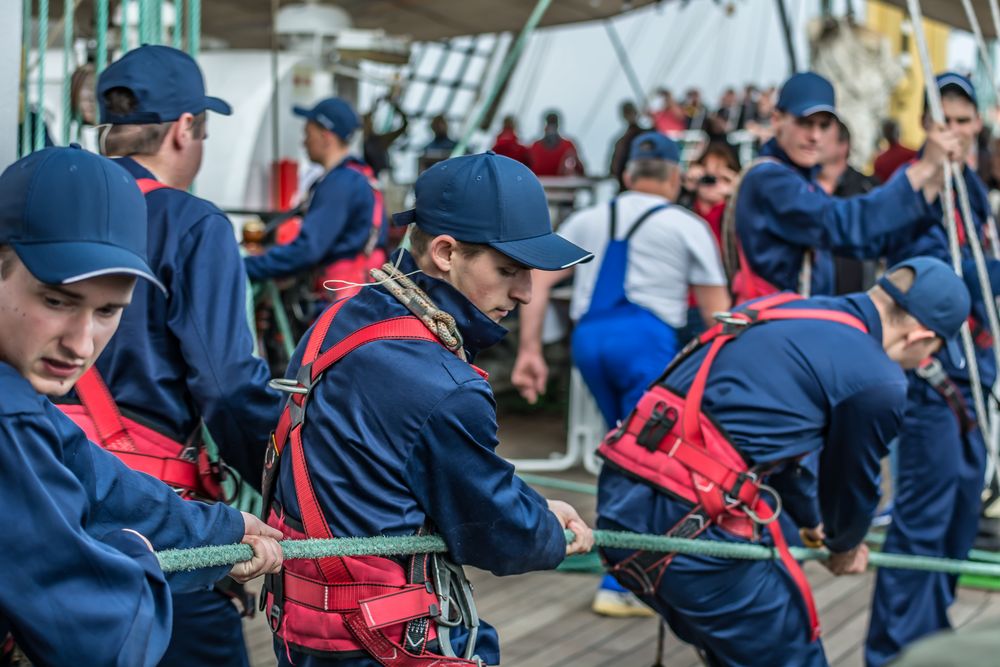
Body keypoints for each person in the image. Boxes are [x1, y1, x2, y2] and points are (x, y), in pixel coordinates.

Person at [260, 151, 595, 667]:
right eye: (509, 270)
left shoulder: (339, 320)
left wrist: (533, 508)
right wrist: (549, 530)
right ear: (444, 252)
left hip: (301, 629)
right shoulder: (444, 383)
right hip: (381, 639)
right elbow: (495, 529)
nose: (526, 293)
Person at [598, 256, 971, 667]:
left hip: (621, 497)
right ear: (919, 336)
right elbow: (852, 483)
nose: (922, 365)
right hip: (690, 531)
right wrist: (845, 545)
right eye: (931, 352)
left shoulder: (780, 309)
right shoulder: (879, 380)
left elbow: (774, 448)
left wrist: (811, 522)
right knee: (794, 658)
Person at [0, 146, 283, 666]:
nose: (81, 344)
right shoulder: (10, 418)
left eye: (109, 311)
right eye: (56, 301)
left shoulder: (27, 405)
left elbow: (101, 482)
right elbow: (98, 640)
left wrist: (222, 530)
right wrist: (128, 550)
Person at [83, 44, 286, 667]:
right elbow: (226, 387)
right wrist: (283, 492)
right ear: (184, 128)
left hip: (36, 479)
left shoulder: (39, 207)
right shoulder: (192, 224)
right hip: (148, 506)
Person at [512, 132, 729, 618]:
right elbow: (718, 316)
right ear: (674, 177)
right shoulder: (686, 224)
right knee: (645, 460)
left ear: (628, 174)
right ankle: (622, 581)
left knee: (622, 446)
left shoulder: (588, 218)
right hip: (644, 343)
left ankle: (628, 564)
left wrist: (530, 350)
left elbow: (539, 279)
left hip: (589, 341)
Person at [866, 73, 1000, 667]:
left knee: (961, 511)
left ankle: (934, 635)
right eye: (945, 121)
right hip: (933, 377)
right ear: (928, 126)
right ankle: (893, 651)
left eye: (965, 121)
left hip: (975, 375)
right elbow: (909, 263)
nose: (957, 132)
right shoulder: (916, 188)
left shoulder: (969, 186)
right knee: (923, 517)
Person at [727, 71, 960, 304]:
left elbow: (864, 242)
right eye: (804, 123)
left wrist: (929, 185)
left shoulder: (801, 181)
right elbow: (841, 224)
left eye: (824, 125)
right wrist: (922, 169)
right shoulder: (769, 179)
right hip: (772, 327)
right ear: (777, 120)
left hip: (791, 322)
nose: (815, 136)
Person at [245, 97, 387, 297]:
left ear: (326, 136)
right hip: (360, 293)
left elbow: (307, 250)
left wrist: (246, 266)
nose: (304, 142)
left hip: (338, 301)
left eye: (308, 133)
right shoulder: (360, 176)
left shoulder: (340, 183)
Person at [816, 119, 880, 294]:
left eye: (824, 132)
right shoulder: (802, 187)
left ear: (843, 145)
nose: (815, 138)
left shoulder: (867, 188)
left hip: (856, 300)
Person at [362, 97, 409, 178]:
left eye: (370, 123)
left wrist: (395, 106)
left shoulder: (381, 140)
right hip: (368, 176)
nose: (369, 125)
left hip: (380, 176)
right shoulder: (361, 142)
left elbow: (404, 125)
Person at [529, 111, 585, 176]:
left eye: (553, 124)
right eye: (550, 124)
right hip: (540, 183)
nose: (551, 128)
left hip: (561, 184)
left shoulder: (568, 146)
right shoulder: (535, 147)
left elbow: (581, 170)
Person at [608, 101, 647, 191]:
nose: (630, 115)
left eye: (631, 112)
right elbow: (614, 169)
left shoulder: (647, 136)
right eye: (627, 113)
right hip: (625, 188)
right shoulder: (620, 141)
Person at [873, 118, 918, 184]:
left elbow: (878, 184)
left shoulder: (879, 161)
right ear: (899, 132)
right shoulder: (912, 154)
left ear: (884, 135)